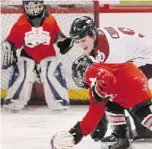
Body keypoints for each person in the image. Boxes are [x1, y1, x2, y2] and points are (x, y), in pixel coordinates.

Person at [59, 16, 152, 142]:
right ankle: (130, 131)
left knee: (124, 92)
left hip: (145, 59)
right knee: (119, 93)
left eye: (83, 40)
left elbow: (111, 86)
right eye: (77, 41)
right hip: (139, 54)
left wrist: (99, 120)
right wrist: (71, 41)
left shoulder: (109, 53)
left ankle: (134, 131)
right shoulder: (96, 37)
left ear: (92, 34)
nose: (81, 45)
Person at [51, 55, 152, 149]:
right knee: (138, 111)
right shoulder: (96, 84)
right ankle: (121, 138)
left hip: (128, 79)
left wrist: (98, 86)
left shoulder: (91, 71)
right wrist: (79, 131)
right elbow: (95, 113)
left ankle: (121, 136)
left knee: (141, 113)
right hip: (132, 78)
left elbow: (106, 77)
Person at [1, 0, 73, 112]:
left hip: (47, 54)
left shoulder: (51, 20)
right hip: (28, 54)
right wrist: (9, 46)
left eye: (36, 6)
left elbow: (57, 36)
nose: (34, 10)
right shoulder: (20, 23)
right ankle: (14, 101)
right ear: (25, 7)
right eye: (31, 7)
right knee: (23, 72)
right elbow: (12, 40)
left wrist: (62, 42)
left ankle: (59, 101)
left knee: (51, 73)